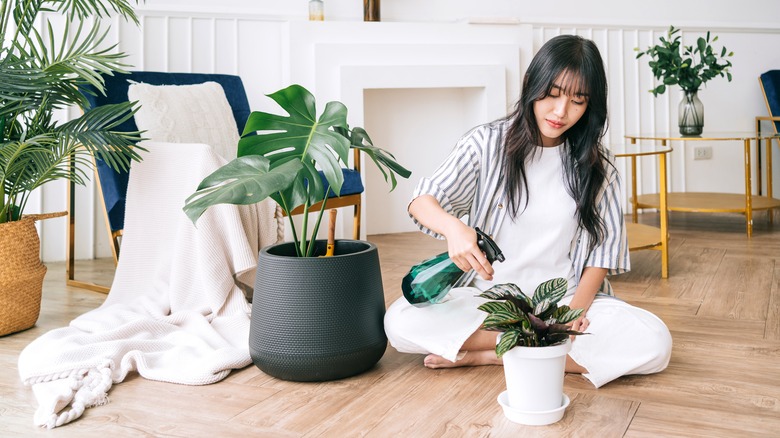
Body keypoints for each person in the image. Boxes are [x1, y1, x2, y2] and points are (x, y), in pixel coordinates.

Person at [383, 34, 672, 388]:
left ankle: (494, 354)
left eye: (577, 101)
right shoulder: (486, 143)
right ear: (530, 85)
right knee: (399, 324)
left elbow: (603, 251)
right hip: (488, 302)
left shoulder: (599, 166)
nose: (560, 112)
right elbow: (422, 200)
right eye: (551, 94)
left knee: (655, 343)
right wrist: (454, 228)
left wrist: (571, 317)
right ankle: (542, 349)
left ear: (590, 106)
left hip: (563, 302)